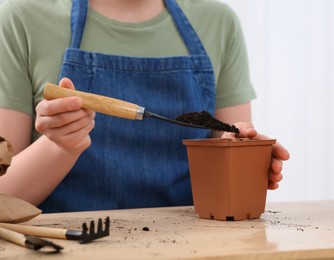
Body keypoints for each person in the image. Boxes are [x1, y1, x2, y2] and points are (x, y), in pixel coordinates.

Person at [0, 0, 290, 213]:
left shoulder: (219, 21)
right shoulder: (21, 19)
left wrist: (242, 154)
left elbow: (228, 165)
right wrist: (60, 147)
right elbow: (3, 198)